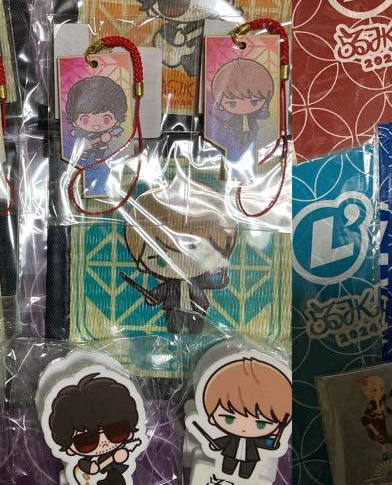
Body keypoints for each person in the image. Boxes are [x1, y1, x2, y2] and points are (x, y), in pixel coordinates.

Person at [122, 187, 236, 333]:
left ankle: (195, 331)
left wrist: (222, 274)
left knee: (197, 326)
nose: (181, 264)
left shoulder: (199, 280)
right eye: (162, 259)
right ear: (142, 263)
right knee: (174, 326)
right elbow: (160, 292)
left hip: (197, 306)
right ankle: (175, 332)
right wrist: (153, 297)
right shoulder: (171, 285)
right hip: (174, 307)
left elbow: (217, 282)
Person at [192, 356, 291, 477]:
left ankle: (244, 475)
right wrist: (215, 444)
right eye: (229, 419)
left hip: (250, 457)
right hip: (229, 454)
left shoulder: (258, 439)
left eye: (261, 424)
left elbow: (266, 442)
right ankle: (227, 473)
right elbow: (222, 441)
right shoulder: (229, 437)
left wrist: (274, 443)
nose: (244, 428)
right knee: (227, 469)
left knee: (246, 472)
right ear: (212, 417)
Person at [46, 372, 144, 484]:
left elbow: (121, 466)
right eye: (87, 441)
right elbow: (82, 466)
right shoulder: (81, 463)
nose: (104, 443)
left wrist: (120, 457)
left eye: (116, 432)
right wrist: (90, 468)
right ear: (69, 449)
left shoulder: (116, 454)